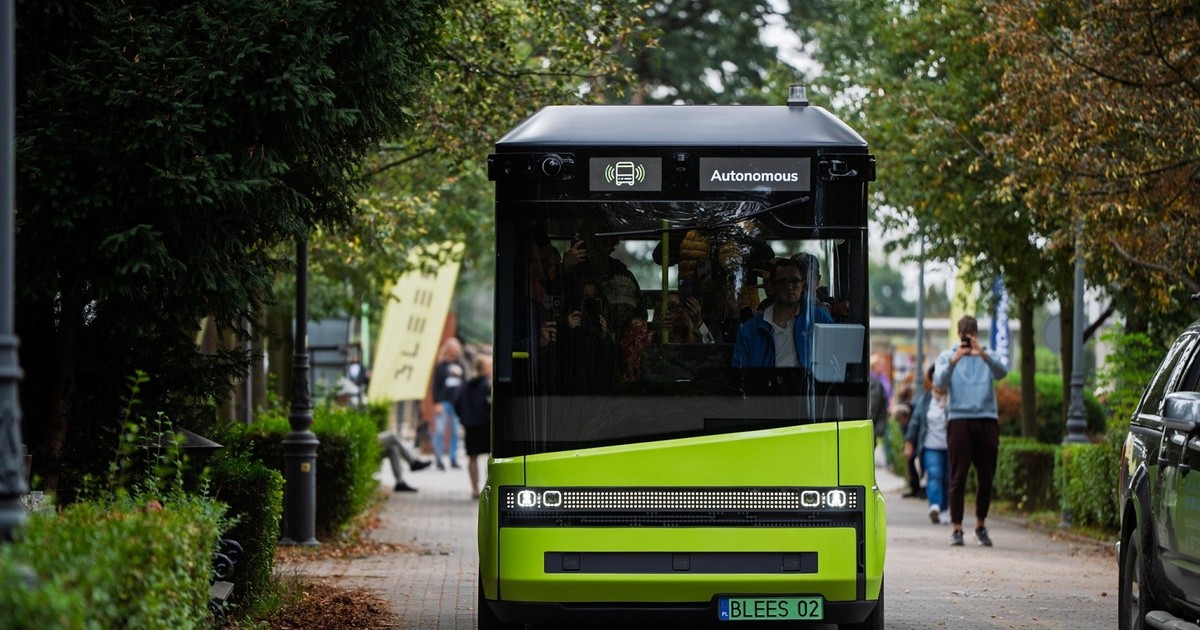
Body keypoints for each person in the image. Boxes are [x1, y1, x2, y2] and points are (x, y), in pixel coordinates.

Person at [934, 315, 1008, 547]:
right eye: (965, 337)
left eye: (972, 336)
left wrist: (982, 354)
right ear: (959, 335)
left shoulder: (987, 354)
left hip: (986, 418)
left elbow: (1002, 372)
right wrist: (956, 359)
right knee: (958, 475)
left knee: (986, 475)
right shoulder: (948, 356)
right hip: (959, 419)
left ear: (976, 335)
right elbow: (939, 382)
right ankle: (957, 528)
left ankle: (980, 525)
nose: (968, 340)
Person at [731, 257, 833, 368]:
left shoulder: (818, 319)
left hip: (807, 384)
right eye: (782, 282)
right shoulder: (749, 330)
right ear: (772, 286)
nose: (789, 287)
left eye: (795, 281)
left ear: (802, 285)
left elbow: (835, 364)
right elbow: (739, 375)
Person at [906, 365, 950, 523]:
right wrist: (909, 443)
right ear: (931, 381)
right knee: (934, 474)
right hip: (930, 445)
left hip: (950, 446)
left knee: (948, 478)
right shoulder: (925, 400)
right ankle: (935, 505)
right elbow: (915, 422)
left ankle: (945, 509)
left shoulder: (953, 400)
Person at [457, 354, 493, 499]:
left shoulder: (466, 384)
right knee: (490, 457)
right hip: (486, 425)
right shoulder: (489, 384)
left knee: (472, 458)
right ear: (485, 368)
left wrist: (464, 420)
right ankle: (487, 487)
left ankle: (474, 488)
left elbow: (458, 403)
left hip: (471, 426)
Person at [431, 337, 466, 470]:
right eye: (453, 349)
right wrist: (437, 402)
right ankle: (439, 458)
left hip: (457, 404)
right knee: (440, 431)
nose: (455, 352)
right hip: (443, 402)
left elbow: (464, 383)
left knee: (455, 432)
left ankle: (453, 458)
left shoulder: (460, 365)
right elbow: (435, 386)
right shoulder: (441, 366)